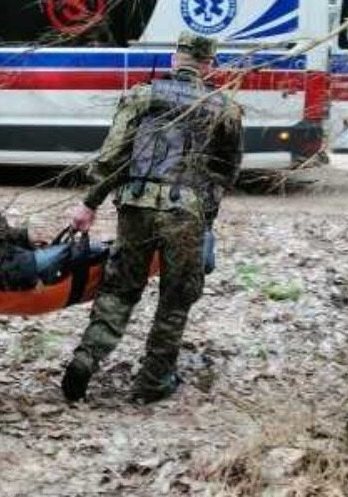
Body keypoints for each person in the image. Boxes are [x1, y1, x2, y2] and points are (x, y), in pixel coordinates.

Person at [61, 34, 242, 404]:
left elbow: (114, 156)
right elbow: (227, 171)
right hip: (186, 213)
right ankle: (153, 381)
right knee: (176, 298)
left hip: (136, 207)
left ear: (176, 58)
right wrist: (206, 214)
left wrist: (89, 203)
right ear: (210, 64)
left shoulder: (142, 96)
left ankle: (85, 360)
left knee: (119, 289)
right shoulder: (223, 107)